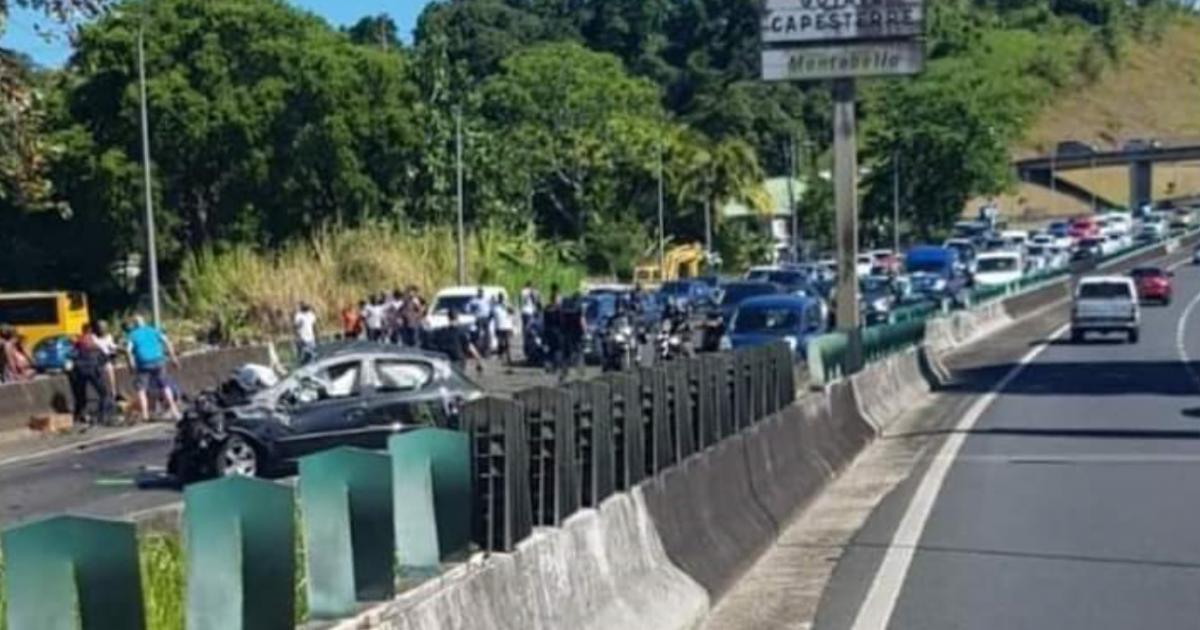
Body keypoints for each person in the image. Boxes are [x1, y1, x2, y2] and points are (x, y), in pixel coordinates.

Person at [125, 315, 180, 422]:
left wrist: (130, 365)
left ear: (134, 325)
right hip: (158, 360)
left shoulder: (132, 335)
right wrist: (173, 358)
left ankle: (145, 415)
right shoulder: (153, 330)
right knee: (164, 385)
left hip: (143, 364)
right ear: (144, 322)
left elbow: (128, 350)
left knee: (141, 389)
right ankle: (174, 410)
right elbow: (166, 341)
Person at [69, 323, 113, 428]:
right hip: (93, 369)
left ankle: (80, 417)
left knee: (80, 396)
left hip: (79, 371)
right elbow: (104, 358)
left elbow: (71, 355)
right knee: (104, 393)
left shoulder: (79, 342)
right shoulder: (94, 342)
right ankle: (102, 417)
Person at [445, 309, 482, 373]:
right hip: (459, 359)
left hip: (446, 359)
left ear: (448, 317)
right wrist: (478, 360)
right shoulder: (462, 331)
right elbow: (469, 346)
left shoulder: (443, 331)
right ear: (457, 317)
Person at [92, 320, 119, 398]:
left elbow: (112, 346)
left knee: (110, 372)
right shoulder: (93, 337)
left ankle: (114, 393)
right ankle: (103, 394)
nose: (102, 329)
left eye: (104, 327)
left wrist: (116, 348)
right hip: (97, 360)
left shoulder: (109, 336)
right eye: (101, 327)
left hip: (106, 359)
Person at [493, 294, 515, 366]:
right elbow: (494, 317)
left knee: (507, 343)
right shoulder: (495, 307)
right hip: (499, 327)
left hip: (507, 327)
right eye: (500, 298)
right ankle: (501, 356)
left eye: (502, 298)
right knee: (501, 343)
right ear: (498, 299)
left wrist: (506, 306)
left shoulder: (507, 306)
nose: (501, 300)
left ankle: (509, 357)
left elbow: (512, 312)